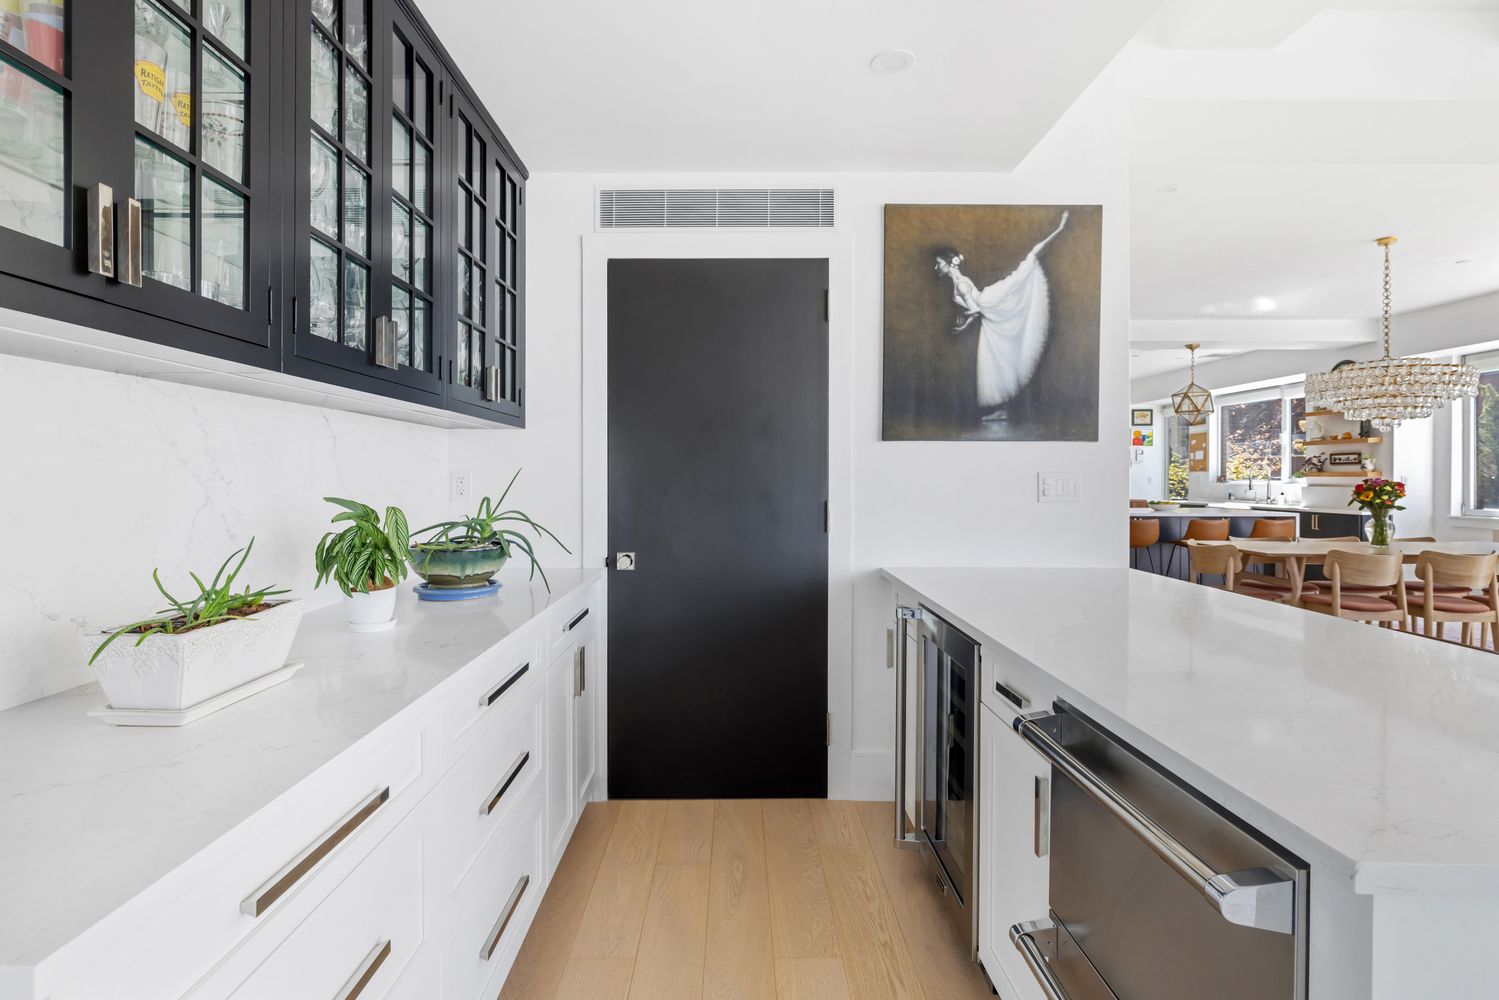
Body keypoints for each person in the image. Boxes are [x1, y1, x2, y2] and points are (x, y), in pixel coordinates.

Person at [934, 210, 1069, 422]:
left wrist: (964, 322)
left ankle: (1059, 229)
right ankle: (1002, 410)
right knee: (999, 362)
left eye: (939, 263)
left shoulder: (959, 284)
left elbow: (975, 308)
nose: (937, 267)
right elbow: (975, 309)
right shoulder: (959, 281)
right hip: (988, 312)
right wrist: (966, 322)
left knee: (1024, 271)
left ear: (949, 263)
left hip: (989, 304)